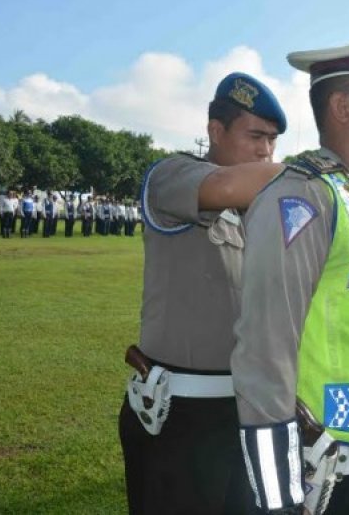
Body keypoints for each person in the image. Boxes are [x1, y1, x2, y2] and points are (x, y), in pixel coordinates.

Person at [231, 24, 349, 515]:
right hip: (325, 483)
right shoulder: (305, 195)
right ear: (343, 107)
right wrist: (278, 502)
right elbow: (264, 355)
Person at [117, 71, 286, 515]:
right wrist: (321, 172)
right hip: (179, 412)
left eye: (272, 140)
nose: (265, 151)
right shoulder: (172, 175)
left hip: (240, 409)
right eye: (255, 135)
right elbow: (227, 186)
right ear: (215, 131)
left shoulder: (249, 210)